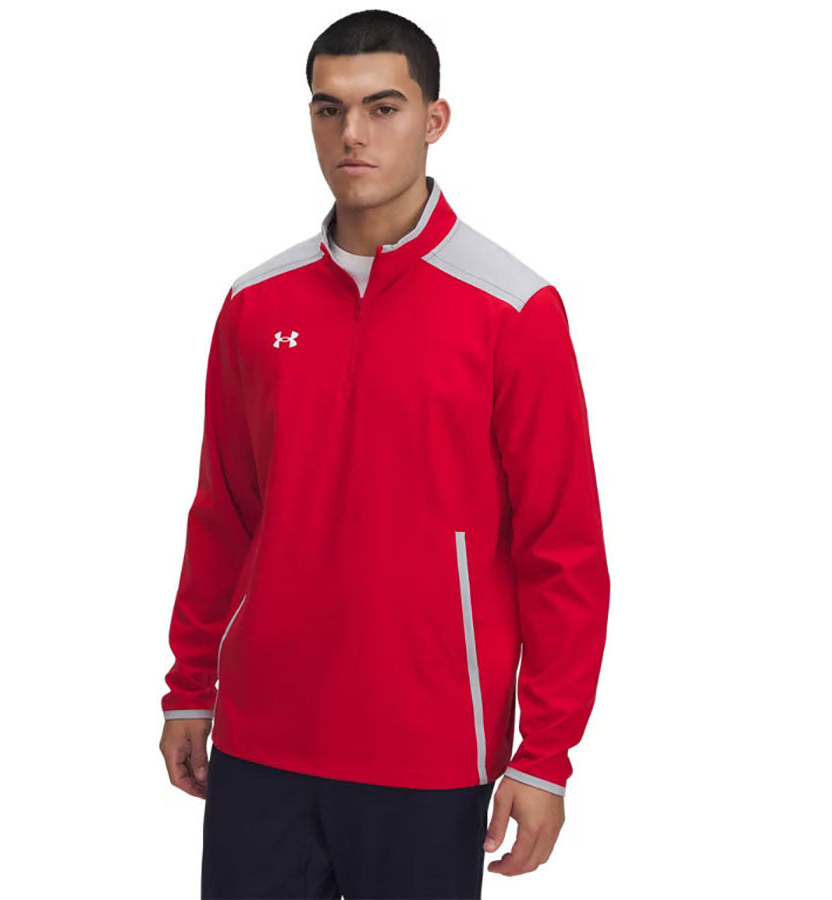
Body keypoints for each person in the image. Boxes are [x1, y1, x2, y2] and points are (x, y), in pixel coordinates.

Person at [158, 9, 611, 899]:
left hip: (428, 752)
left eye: (383, 107)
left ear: (434, 120)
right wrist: (190, 686)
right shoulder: (256, 304)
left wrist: (546, 756)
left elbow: (562, 551)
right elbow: (224, 515)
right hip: (261, 740)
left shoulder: (514, 311)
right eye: (329, 109)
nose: (352, 135)